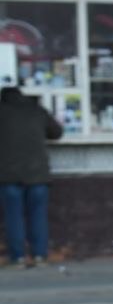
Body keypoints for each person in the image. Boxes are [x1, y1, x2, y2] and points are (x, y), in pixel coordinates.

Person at [0, 85, 64, 267]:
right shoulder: (37, 110)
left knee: (14, 217)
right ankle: (39, 256)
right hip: (38, 175)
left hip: (8, 176)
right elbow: (57, 133)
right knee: (38, 216)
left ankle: (18, 258)